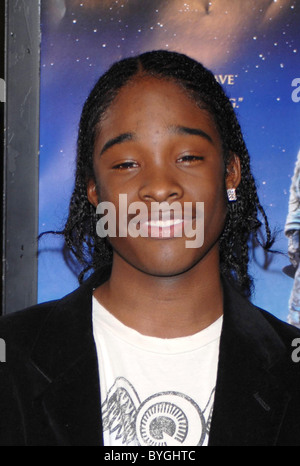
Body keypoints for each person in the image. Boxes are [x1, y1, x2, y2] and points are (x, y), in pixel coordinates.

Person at [1, 50, 300, 446]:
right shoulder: (12, 360)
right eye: (126, 163)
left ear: (231, 172)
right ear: (93, 189)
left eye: (188, 157)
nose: (159, 187)